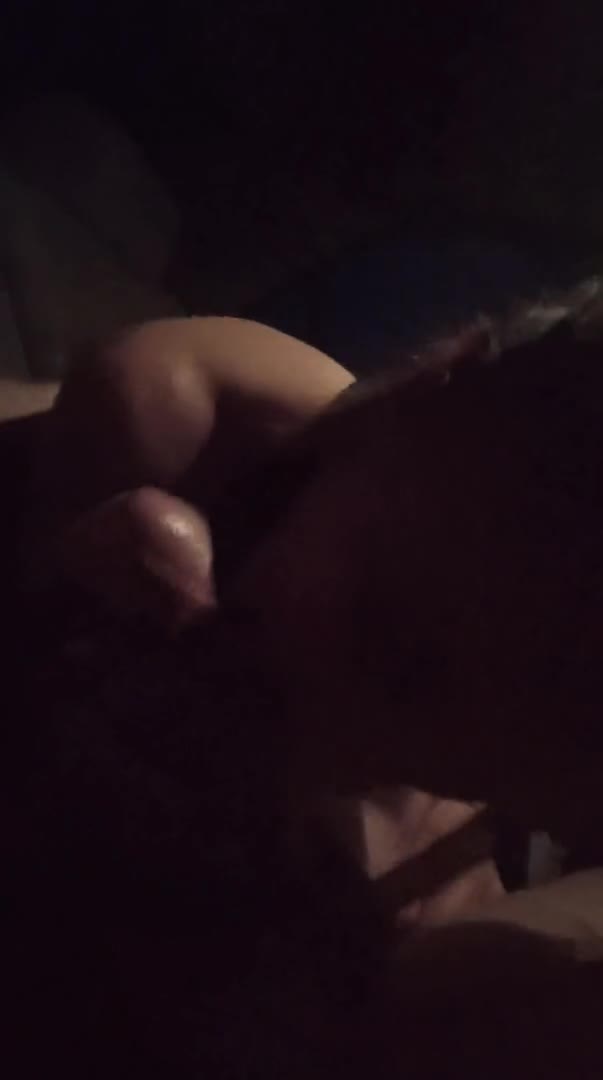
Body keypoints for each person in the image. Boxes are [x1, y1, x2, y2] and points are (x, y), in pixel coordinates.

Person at [5, 304, 603, 1076]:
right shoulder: (198, 414)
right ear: (421, 383)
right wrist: (60, 571)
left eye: (456, 762)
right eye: (379, 628)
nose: (339, 721)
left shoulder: (441, 882)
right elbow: (150, 383)